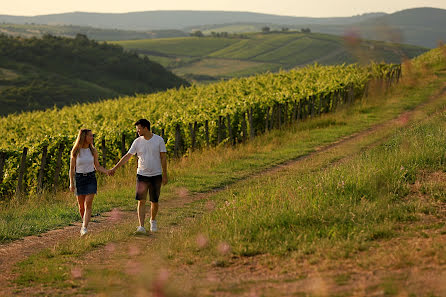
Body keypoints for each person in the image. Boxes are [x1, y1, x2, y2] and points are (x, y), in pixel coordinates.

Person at [110, 119, 168, 234]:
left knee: (154, 201)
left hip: (156, 174)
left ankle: (153, 220)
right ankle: (141, 226)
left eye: (139, 129)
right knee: (141, 200)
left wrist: (165, 175)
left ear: (145, 128)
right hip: (142, 174)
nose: (137, 131)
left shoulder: (159, 140)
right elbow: (127, 156)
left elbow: (163, 158)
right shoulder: (137, 142)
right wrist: (115, 168)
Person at [69, 129, 109, 236]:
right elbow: (72, 169)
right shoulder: (75, 151)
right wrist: (71, 183)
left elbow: (98, 166)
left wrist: (107, 172)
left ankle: (84, 228)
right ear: (84, 137)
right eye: (90, 136)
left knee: (88, 204)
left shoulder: (93, 151)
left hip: (91, 178)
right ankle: (84, 224)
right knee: (81, 206)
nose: (92, 138)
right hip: (79, 179)